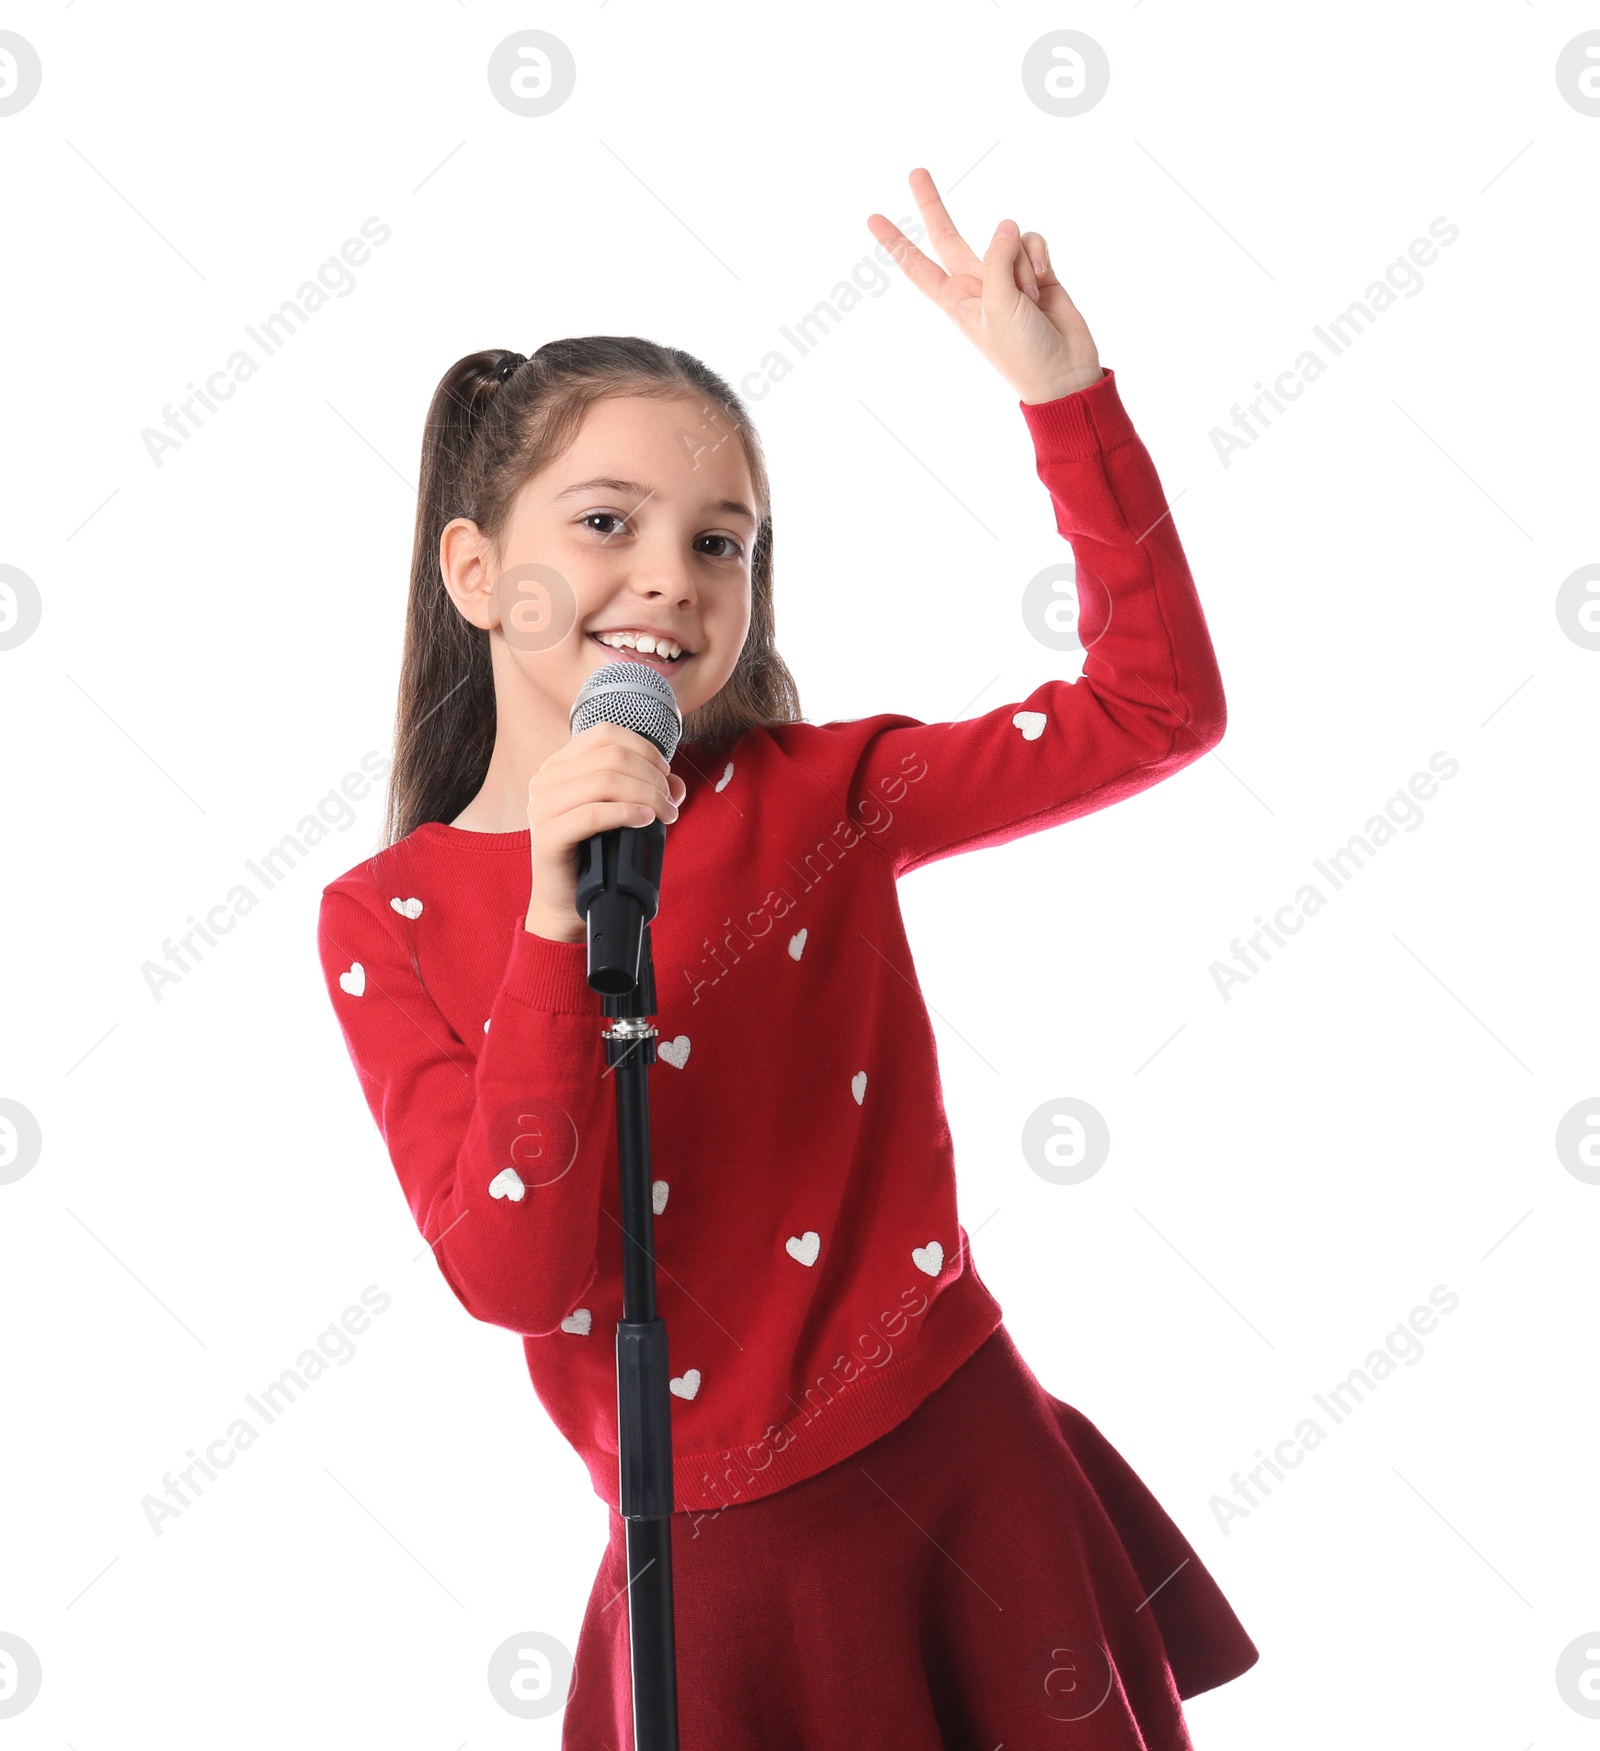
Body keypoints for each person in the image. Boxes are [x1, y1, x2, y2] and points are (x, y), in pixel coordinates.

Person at [316, 167, 1259, 1749]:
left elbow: (1156, 709)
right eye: (608, 522)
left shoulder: (823, 796)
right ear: (477, 572)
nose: (675, 575)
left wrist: (1066, 403)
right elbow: (516, 1271)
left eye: (723, 540)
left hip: (970, 1473)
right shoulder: (388, 916)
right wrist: (557, 914)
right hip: (725, 1574)